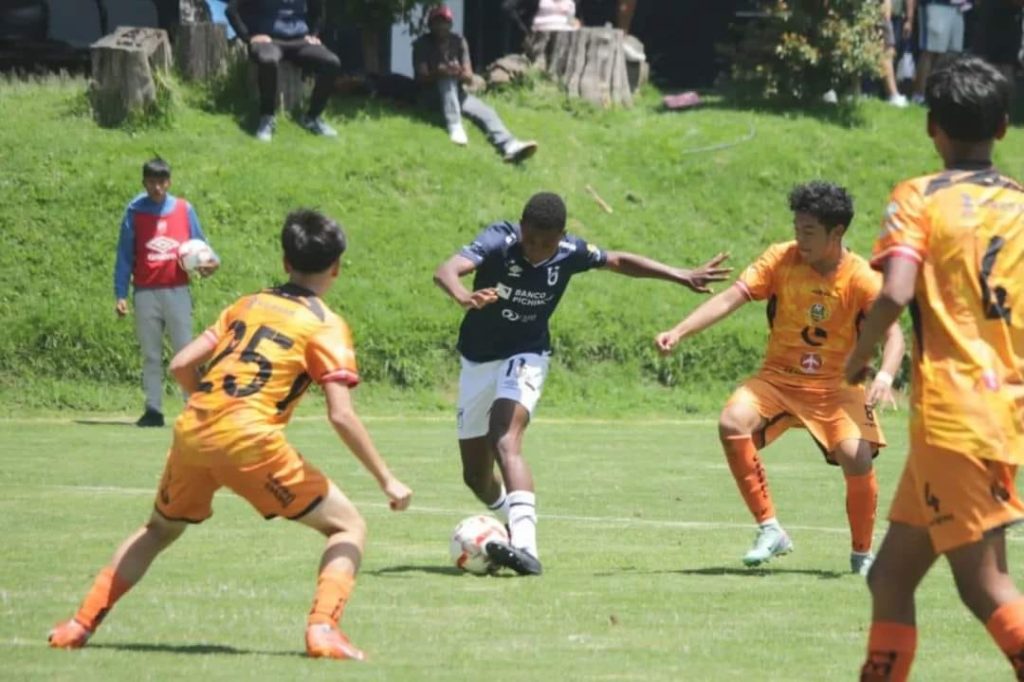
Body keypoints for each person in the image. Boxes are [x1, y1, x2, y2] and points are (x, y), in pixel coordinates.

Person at [51, 209, 413, 660]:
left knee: (159, 529)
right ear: (337, 266)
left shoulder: (247, 304)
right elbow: (340, 414)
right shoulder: (325, 324)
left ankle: (78, 624)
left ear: (285, 261)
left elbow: (182, 364)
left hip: (194, 429)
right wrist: (387, 479)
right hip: (251, 441)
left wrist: (209, 408)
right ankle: (323, 629)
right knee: (348, 526)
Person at [433, 191, 731, 575]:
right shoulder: (499, 240)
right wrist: (463, 296)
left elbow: (619, 260)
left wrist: (681, 274)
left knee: (505, 438)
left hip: (527, 354)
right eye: (531, 240)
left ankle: (526, 548)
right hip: (478, 360)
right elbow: (446, 270)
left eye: (547, 243)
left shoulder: (570, 252)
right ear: (521, 228)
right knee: (475, 475)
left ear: (561, 236)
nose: (538, 250)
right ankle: (510, 523)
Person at [847, 55, 1023, 681]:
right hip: (989, 411)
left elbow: (894, 292)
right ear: (1003, 127)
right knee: (890, 577)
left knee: (985, 588)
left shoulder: (918, 197)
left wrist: (860, 356)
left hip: (956, 415)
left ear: (932, 129)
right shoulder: (1023, 207)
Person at [655, 182, 905, 574]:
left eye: (809, 232)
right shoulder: (780, 259)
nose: (799, 238)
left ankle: (862, 555)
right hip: (777, 380)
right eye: (797, 228)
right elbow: (729, 298)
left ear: (836, 233)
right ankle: (770, 529)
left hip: (835, 388)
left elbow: (894, 334)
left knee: (855, 456)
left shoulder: (862, 278)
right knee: (731, 421)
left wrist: (886, 376)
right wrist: (680, 330)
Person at [114, 158, 219, 428]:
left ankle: (192, 408)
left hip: (177, 290)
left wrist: (211, 263)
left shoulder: (184, 209)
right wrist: (120, 293)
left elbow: (201, 244)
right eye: (151, 182)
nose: (157, 187)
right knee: (150, 353)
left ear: (169, 182)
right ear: (144, 182)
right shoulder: (135, 212)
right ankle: (153, 409)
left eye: (162, 182)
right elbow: (125, 255)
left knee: (185, 352)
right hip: (146, 292)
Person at [413, 4, 538, 162]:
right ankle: (454, 125)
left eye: (444, 22)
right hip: (430, 95)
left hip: (458, 94)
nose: (441, 26)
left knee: (486, 111)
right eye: (437, 22)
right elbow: (421, 77)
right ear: (430, 25)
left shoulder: (458, 42)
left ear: (450, 24)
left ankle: (509, 144)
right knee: (446, 80)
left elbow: (469, 77)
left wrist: (458, 73)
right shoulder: (422, 44)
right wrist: (440, 72)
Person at [226, 0, 341, 142]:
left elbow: (319, 10)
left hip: (300, 41)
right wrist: (248, 37)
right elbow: (231, 10)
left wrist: (314, 34)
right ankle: (266, 117)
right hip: (269, 40)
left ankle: (312, 118)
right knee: (268, 61)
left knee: (332, 62)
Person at [911, 0, 968, 103]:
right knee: (930, 50)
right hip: (935, 4)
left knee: (951, 53)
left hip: (959, 7)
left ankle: (939, 93)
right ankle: (919, 95)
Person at [881, 0, 911, 106]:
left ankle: (891, 93)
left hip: (889, 13)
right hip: (881, 12)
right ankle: (893, 94)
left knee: (889, 52)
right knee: (887, 52)